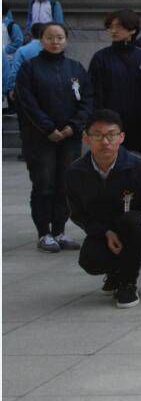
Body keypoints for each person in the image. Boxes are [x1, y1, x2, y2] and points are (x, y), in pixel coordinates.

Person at [66, 109, 141, 309]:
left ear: (121, 137)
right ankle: (115, 274)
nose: (105, 142)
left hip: (140, 225)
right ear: (86, 138)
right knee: (91, 260)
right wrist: (104, 232)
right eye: (97, 135)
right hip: (105, 229)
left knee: (134, 222)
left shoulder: (139, 166)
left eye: (111, 135)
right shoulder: (76, 172)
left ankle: (127, 284)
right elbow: (78, 213)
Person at [16, 22, 93, 253]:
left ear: (66, 40)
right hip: (40, 138)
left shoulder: (75, 68)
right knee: (44, 184)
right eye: (50, 37)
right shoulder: (30, 68)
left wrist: (73, 126)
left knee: (65, 184)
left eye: (59, 37)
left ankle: (59, 230)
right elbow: (27, 102)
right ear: (41, 40)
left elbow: (87, 100)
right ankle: (44, 232)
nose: (55, 42)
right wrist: (48, 128)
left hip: (69, 138)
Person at [88, 10, 141, 154]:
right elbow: (93, 93)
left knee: (134, 161)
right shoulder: (101, 58)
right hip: (109, 125)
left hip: (138, 126)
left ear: (132, 29)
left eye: (118, 26)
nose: (113, 31)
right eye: (111, 27)